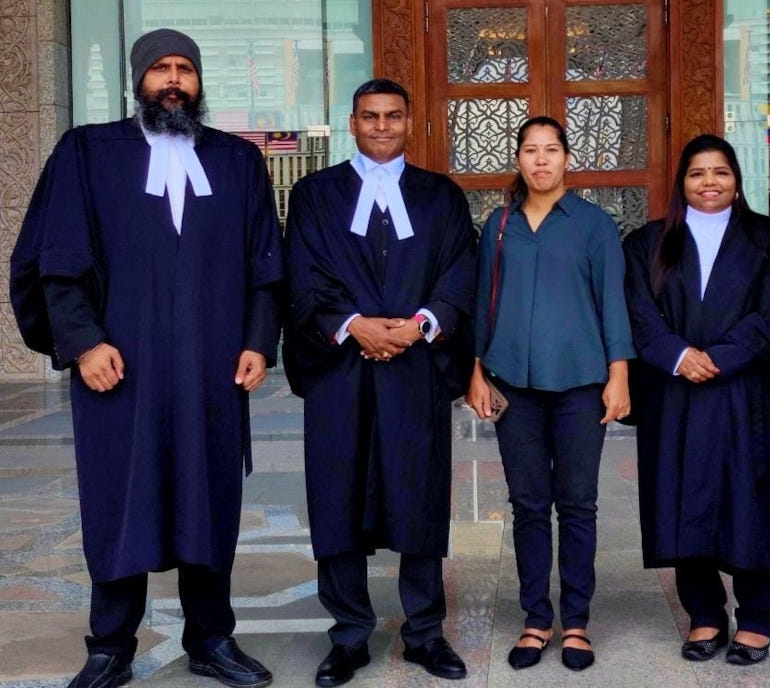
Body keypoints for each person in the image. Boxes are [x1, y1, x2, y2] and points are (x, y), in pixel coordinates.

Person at [14, 28, 283, 688]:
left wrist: (257, 341)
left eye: (183, 70)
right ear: (138, 81)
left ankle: (212, 640)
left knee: (209, 500)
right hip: (118, 369)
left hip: (211, 371)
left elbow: (266, 269)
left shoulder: (236, 163)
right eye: (159, 69)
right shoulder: (87, 153)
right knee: (119, 499)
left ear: (198, 82)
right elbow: (58, 262)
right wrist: (82, 344)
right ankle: (110, 646)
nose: (172, 81)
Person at [283, 78, 476, 686]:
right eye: (371, 117)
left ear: (410, 121)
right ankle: (347, 637)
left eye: (394, 115)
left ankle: (424, 632)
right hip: (340, 368)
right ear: (353, 122)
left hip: (415, 370)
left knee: (419, 497)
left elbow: (459, 271)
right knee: (338, 498)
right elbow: (302, 274)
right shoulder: (317, 194)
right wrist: (353, 325)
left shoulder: (440, 195)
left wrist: (420, 325)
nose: (383, 126)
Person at [465, 116, 634, 672]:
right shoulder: (499, 225)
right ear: (518, 159)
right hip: (514, 385)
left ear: (567, 159)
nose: (541, 160)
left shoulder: (593, 225)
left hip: (581, 385)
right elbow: (482, 304)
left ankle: (578, 622)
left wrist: (619, 375)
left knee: (578, 505)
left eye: (551, 150)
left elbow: (613, 302)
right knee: (529, 505)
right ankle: (537, 618)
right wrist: (477, 370)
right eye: (531, 151)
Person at [622, 134, 770, 666]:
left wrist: (722, 356)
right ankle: (705, 613)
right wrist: (676, 354)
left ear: (737, 180)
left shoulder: (768, 239)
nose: (709, 182)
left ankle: (758, 616)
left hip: (744, 391)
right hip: (674, 391)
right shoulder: (648, 242)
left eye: (720, 171)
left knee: (750, 498)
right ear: (682, 182)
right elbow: (637, 311)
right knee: (683, 498)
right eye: (697, 173)